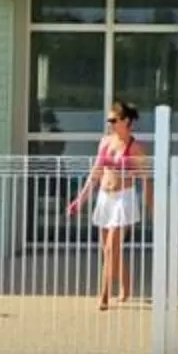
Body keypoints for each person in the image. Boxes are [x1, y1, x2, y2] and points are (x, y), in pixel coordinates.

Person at [66, 100, 151, 311]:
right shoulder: (105, 142)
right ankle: (125, 286)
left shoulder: (136, 148)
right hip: (105, 196)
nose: (110, 123)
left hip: (124, 197)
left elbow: (146, 179)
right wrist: (80, 200)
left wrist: (152, 207)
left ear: (126, 121)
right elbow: (95, 174)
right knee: (108, 249)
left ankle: (103, 295)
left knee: (111, 247)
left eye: (114, 120)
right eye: (109, 120)